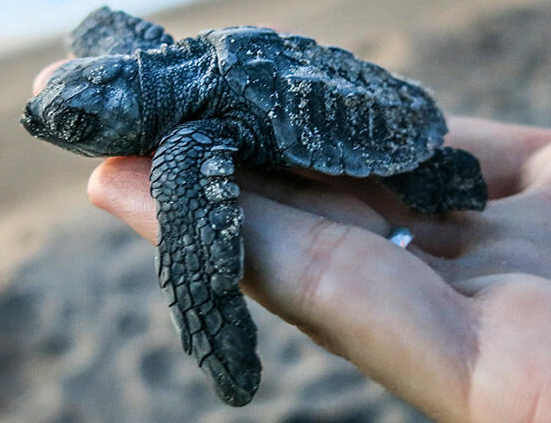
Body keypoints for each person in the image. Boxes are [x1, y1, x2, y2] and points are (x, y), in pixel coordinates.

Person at [35, 62, 551, 422]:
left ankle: (431, 174)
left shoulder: (188, 138)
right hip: (362, 87)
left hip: (382, 125)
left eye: (75, 126)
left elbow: (192, 240)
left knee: (437, 185)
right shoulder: (165, 70)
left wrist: (202, 299)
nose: (57, 133)